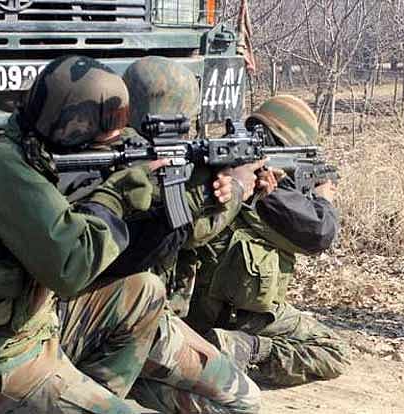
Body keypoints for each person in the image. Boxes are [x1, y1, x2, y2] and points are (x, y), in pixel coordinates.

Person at [0, 55, 168, 413]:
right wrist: (115, 197)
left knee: (143, 290)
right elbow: (73, 267)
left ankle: (86, 395)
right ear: (68, 123)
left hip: (29, 333)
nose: (114, 136)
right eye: (106, 124)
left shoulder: (37, 151)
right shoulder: (3, 167)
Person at [115, 56, 265, 413]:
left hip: (112, 312)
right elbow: (193, 231)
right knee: (242, 399)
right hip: (133, 313)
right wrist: (238, 188)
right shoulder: (145, 162)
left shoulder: (107, 148)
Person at [184, 95, 351, 387]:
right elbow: (321, 233)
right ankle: (244, 348)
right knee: (333, 351)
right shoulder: (262, 187)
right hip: (236, 315)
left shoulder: (223, 173)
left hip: (192, 309)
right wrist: (323, 197)